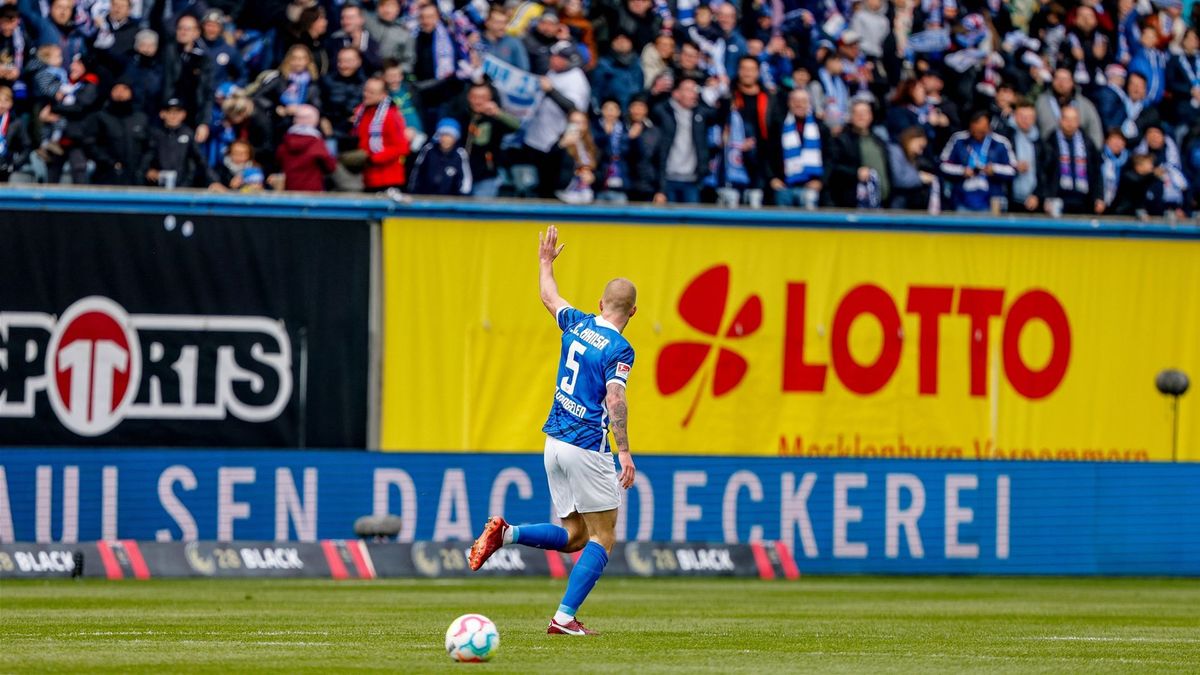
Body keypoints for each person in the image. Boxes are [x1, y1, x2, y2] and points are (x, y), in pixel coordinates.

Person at [469, 224, 637, 638]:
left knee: (575, 535)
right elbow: (615, 399)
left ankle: (506, 534)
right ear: (632, 312)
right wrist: (626, 452)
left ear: (601, 303)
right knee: (604, 536)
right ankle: (563, 618)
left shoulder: (578, 323)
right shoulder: (620, 348)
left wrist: (545, 262)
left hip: (554, 442)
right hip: (585, 445)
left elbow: (549, 296)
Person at [939, 110, 1016, 212]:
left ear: (989, 128)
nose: (977, 134)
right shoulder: (958, 140)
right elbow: (942, 165)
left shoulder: (1001, 143)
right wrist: (962, 171)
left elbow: (1013, 169)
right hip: (962, 199)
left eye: (981, 131)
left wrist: (994, 169)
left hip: (991, 199)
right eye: (974, 130)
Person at [768, 88, 829, 208]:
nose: (799, 104)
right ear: (789, 103)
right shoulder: (778, 125)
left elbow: (829, 157)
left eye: (803, 101)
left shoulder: (820, 127)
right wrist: (772, 178)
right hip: (784, 187)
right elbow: (767, 154)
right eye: (795, 100)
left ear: (809, 103)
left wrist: (821, 181)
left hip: (812, 187)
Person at [1038, 106, 1103, 215]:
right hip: (1057, 198)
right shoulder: (1051, 141)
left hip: (1083, 199)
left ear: (1078, 122)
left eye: (1073, 120)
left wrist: (1099, 197)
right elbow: (1044, 172)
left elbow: (1096, 171)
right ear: (1060, 120)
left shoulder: (1087, 143)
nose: (1070, 123)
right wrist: (1046, 197)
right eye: (1066, 119)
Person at [351, 76, 410, 192]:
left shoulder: (391, 116)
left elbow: (401, 147)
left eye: (371, 92)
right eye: (365, 90)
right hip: (367, 177)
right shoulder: (360, 112)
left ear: (383, 95)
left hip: (387, 178)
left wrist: (373, 159)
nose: (366, 94)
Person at [276, 103, 336, 191]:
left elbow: (278, 159)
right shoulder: (317, 143)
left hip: (290, 191)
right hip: (312, 192)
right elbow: (330, 166)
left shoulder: (285, 142)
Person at [409, 117, 471, 195]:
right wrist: (414, 191)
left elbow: (465, 179)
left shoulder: (460, 154)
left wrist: (462, 196)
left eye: (450, 136)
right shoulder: (428, 150)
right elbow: (417, 171)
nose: (446, 139)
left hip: (451, 200)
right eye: (443, 135)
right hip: (426, 197)